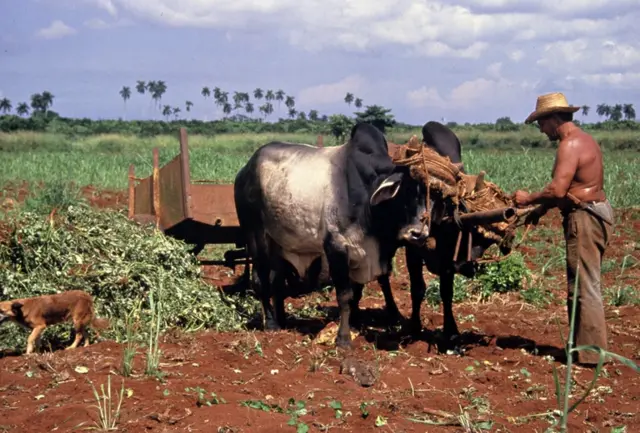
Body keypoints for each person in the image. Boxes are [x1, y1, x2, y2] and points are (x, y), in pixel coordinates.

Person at [512, 92, 614, 366]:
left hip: (584, 216)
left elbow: (557, 189)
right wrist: (540, 210)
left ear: (554, 119)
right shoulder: (585, 139)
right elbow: (566, 190)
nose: (541, 130)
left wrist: (528, 199)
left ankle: (591, 356)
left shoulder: (569, 145)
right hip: (592, 211)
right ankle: (580, 349)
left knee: (584, 285)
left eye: (541, 123)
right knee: (579, 284)